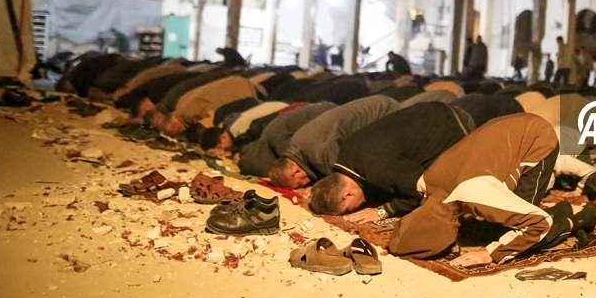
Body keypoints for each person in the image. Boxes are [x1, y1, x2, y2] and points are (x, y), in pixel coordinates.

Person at [387, 113, 596, 267]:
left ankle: (577, 220)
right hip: (504, 127)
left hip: (536, 138)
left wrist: (491, 253)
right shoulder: (423, 183)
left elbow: (538, 224)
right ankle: (560, 210)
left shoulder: (474, 192)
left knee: (519, 235)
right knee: (485, 222)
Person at [307, 102, 475, 221]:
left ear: (347, 194)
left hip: (455, 127)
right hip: (431, 109)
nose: (355, 209)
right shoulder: (345, 155)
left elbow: (422, 188)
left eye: (349, 208)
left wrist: (385, 210)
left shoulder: (378, 171)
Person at [267, 95, 400, 191]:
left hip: (386, 112)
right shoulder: (296, 142)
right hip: (378, 101)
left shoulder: (320, 155)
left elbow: (346, 177)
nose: (304, 186)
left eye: (299, 185)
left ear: (296, 172)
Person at [147, 74, 263, 137]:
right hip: (239, 83)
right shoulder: (181, 106)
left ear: (173, 126)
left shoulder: (189, 114)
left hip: (244, 89)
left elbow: (214, 119)